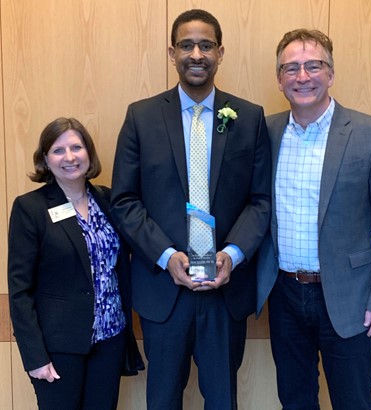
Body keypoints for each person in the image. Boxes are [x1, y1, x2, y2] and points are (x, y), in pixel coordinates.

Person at [110, 9, 271, 409]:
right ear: (172, 52)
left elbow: (260, 201)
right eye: (186, 45)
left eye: (205, 45)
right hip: (163, 291)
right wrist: (167, 257)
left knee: (222, 400)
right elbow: (125, 201)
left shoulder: (248, 118)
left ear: (220, 52)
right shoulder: (141, 117)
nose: (196, 53)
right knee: (162, 400)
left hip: (226, 288)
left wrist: (232, 255)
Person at [256, 28, 371, 409]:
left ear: (331, 73)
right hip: (285, 294)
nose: (302, 76)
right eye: (291, 68)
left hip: (350, 297)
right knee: (294, 400)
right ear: (279, 79)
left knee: (353, 400)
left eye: (314, 65)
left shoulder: (370, 134)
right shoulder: (266, 132)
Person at [8, 117, 143, 410]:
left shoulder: (108, 201)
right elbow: (19, 290)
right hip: (58, 347)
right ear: (45, 158)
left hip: (110, 338)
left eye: (76, 147)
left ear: (88, 153)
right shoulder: (30, 208)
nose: (69, 157)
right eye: (58, 150)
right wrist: (35, 356)